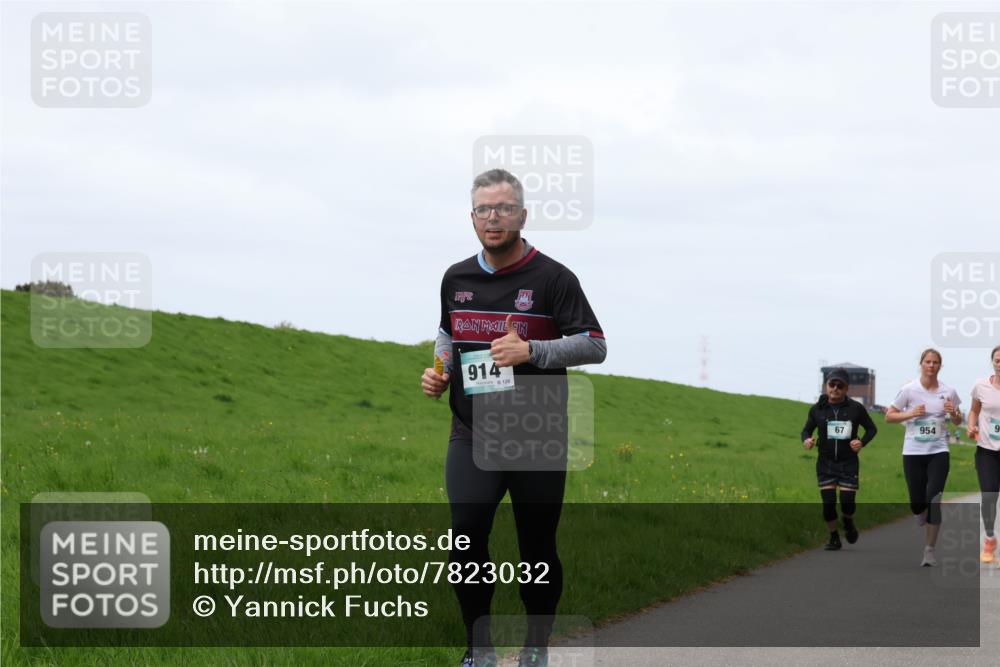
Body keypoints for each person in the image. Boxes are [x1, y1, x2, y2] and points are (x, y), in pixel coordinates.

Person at [420, 169, 606, 667]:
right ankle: (478, 649)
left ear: (523, 215)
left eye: (503, 208)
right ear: (472, 217)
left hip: (536, 435)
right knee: (466, 534)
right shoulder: (455, 277)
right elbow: (447, 331)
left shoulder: (554, 278)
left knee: (537, 548)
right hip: (472, 431)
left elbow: (595, 345)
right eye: (484, 209)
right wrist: (441, 371)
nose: (493, 218)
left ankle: (535, 648)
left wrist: (532, 351)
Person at [885, 348, 963, 567]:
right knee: (917, 503)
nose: (931, 366)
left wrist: (954, 414)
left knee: (934, 499)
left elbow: (958, 421)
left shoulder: (949, 391)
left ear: (940, 366)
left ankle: (929, 551)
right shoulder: (909, 390)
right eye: (927, 362)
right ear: (921, 364)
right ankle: (919, 511)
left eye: (935, 362)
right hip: (913, 452)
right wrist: (910, 414)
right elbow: (889, 416)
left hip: (939, 451)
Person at [801, 368, 878, 550]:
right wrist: (807, 440)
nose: (835, 388)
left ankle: (848, 521)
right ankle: (834, 537)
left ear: (846, 389)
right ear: (826, 386)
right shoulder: (817, 410)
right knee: (828, 505)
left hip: (848, 463)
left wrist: (861, 442)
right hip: (825, 462)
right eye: (831, 384)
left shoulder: (856, 409)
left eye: (839, 386)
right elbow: (806, 430)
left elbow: (872, 429)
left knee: (847, 503)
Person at [967, 345, 1000, 563]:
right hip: (987, 451)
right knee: (989, 496)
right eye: (998, 360)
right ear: (993, 362)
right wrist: (971, 426)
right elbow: (974, 411)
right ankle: (989, 538)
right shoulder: (981, 386)